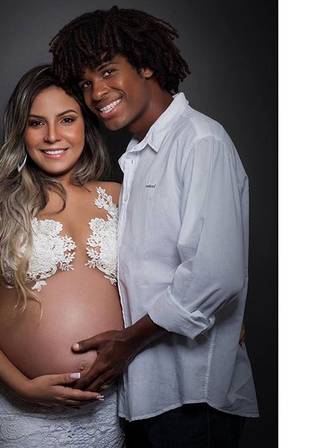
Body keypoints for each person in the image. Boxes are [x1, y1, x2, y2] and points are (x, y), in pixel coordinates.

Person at [50, 6, 259, 447]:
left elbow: (215, 276)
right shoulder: (138, 156)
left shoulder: (200, 141)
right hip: (145, 398)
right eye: (85, 83)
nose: (96, 93)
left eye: (108, 71)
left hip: (192, 397)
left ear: (145, 64)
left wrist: (127, 342)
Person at [0, 64, 126, 447]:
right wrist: (22, 387)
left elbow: (168, 277)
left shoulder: (118, 196)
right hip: (15, 408)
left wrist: (215, 321)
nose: (52, 136)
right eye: (36, 123)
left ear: (86, 125)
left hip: (104, 409)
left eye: (67, 119)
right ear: (20, 131)